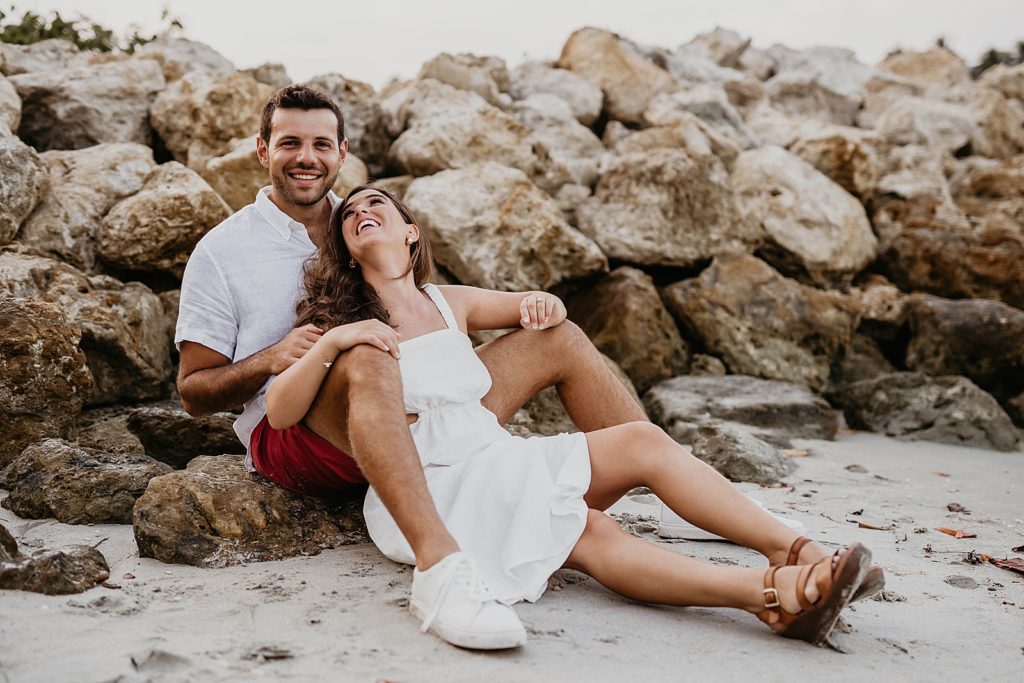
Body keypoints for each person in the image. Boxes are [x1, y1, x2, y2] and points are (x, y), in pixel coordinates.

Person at [264, 185, 883, 648]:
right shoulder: (341, 318)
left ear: (411, 232)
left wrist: (545, 302)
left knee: (641, 440)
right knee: (589, 533)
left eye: (376, 205)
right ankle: (768, 598)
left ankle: (798, 551)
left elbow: (535, 308)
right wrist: (329, 345)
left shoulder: (447, 302)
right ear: (345, 247)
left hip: (495, 453)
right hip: (438, 482)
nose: (359, 212)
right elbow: (283, 410)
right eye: (348, 216)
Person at [175, 84, 652, 650]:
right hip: (302, 433)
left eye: (321, 144)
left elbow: (431, 305)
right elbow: (194, 392)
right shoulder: (222, 252)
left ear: (342, 152)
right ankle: (440, 567)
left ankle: (668, 487)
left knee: (558, 340)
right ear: (262, 150)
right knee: (365, 354)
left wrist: (538, 305)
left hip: (421, 411)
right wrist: (272, 358)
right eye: (289, 143)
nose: (307, 157)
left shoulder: (358, 222)